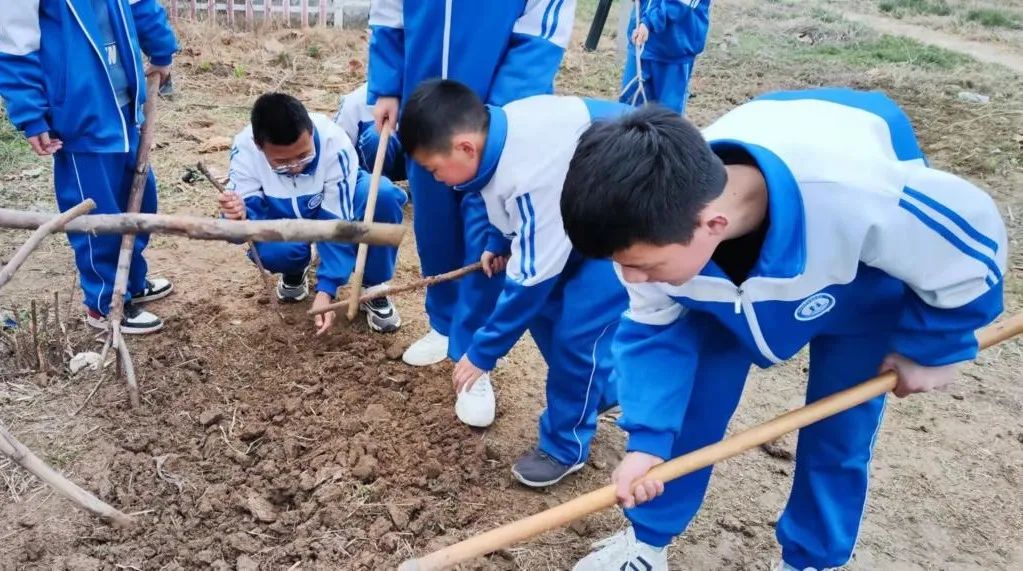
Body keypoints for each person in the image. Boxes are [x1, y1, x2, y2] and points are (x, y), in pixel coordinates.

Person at [560, 91, 1007, 570]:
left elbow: (973, 251)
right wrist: (647, 441)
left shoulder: (861, 194)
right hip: (712, 289)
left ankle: (811, 560)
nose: (632, 280)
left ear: (712, 223)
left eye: (641, 266)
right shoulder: (655, 220)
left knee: (840, 430)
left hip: (857, 282)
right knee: (692, 410)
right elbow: (652, 333)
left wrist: (934, 345)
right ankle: (646, 544)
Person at [399, 79, 629, 482]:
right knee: (546, 313)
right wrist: (498, 239)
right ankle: (601, 390)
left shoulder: (532, 170)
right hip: (585, 210)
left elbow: (530, 283)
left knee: (578, 331)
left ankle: (565, 447)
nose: (436, 179)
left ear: (465, 147)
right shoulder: (497, 136)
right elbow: (502, 201)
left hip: (630, 221)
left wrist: (482, 352)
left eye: (435, 169)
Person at [368, 0, 578, 426]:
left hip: (492, 115)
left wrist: (495, 114)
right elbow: (389, 12)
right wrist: (388, 83)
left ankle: (472, 353)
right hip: (424, 108)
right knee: (433, 223)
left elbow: (542, 32)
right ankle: (443, 324)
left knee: (487, 236)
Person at [0, 0, 179, 333]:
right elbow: (16, 44)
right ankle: (104, 302)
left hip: (124, 105)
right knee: (96, 217)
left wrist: (161, 50)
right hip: (79, 115)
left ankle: (131, 279)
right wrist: (30, 113)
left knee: (139, 198)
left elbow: (141, 4)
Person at [218, 93, 406, 333]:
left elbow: (336, 223)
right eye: (282, 162)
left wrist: (326, 290)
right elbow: (244, 228)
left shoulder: (333, 142)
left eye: (304, 155)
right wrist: (235, 218)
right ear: (259, 146)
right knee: (276, 250)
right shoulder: (244, 149)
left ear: (310, 131)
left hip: (334, 202)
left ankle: (373, 284)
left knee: (382, 195)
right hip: (283, 215)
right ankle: (295, 269)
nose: (296, 167)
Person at [620, 0, 711, 113]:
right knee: (628, 110)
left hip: (674, 49)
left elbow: (680, 4)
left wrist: (649, 22)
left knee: (667, 115)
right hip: (640, 43)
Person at [334, 83, 406, 182]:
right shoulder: (355, 102)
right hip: (370, 164)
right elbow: (338, 150)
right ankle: (379, 186)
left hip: (410, 161)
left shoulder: (420, 91)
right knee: (376, 135)